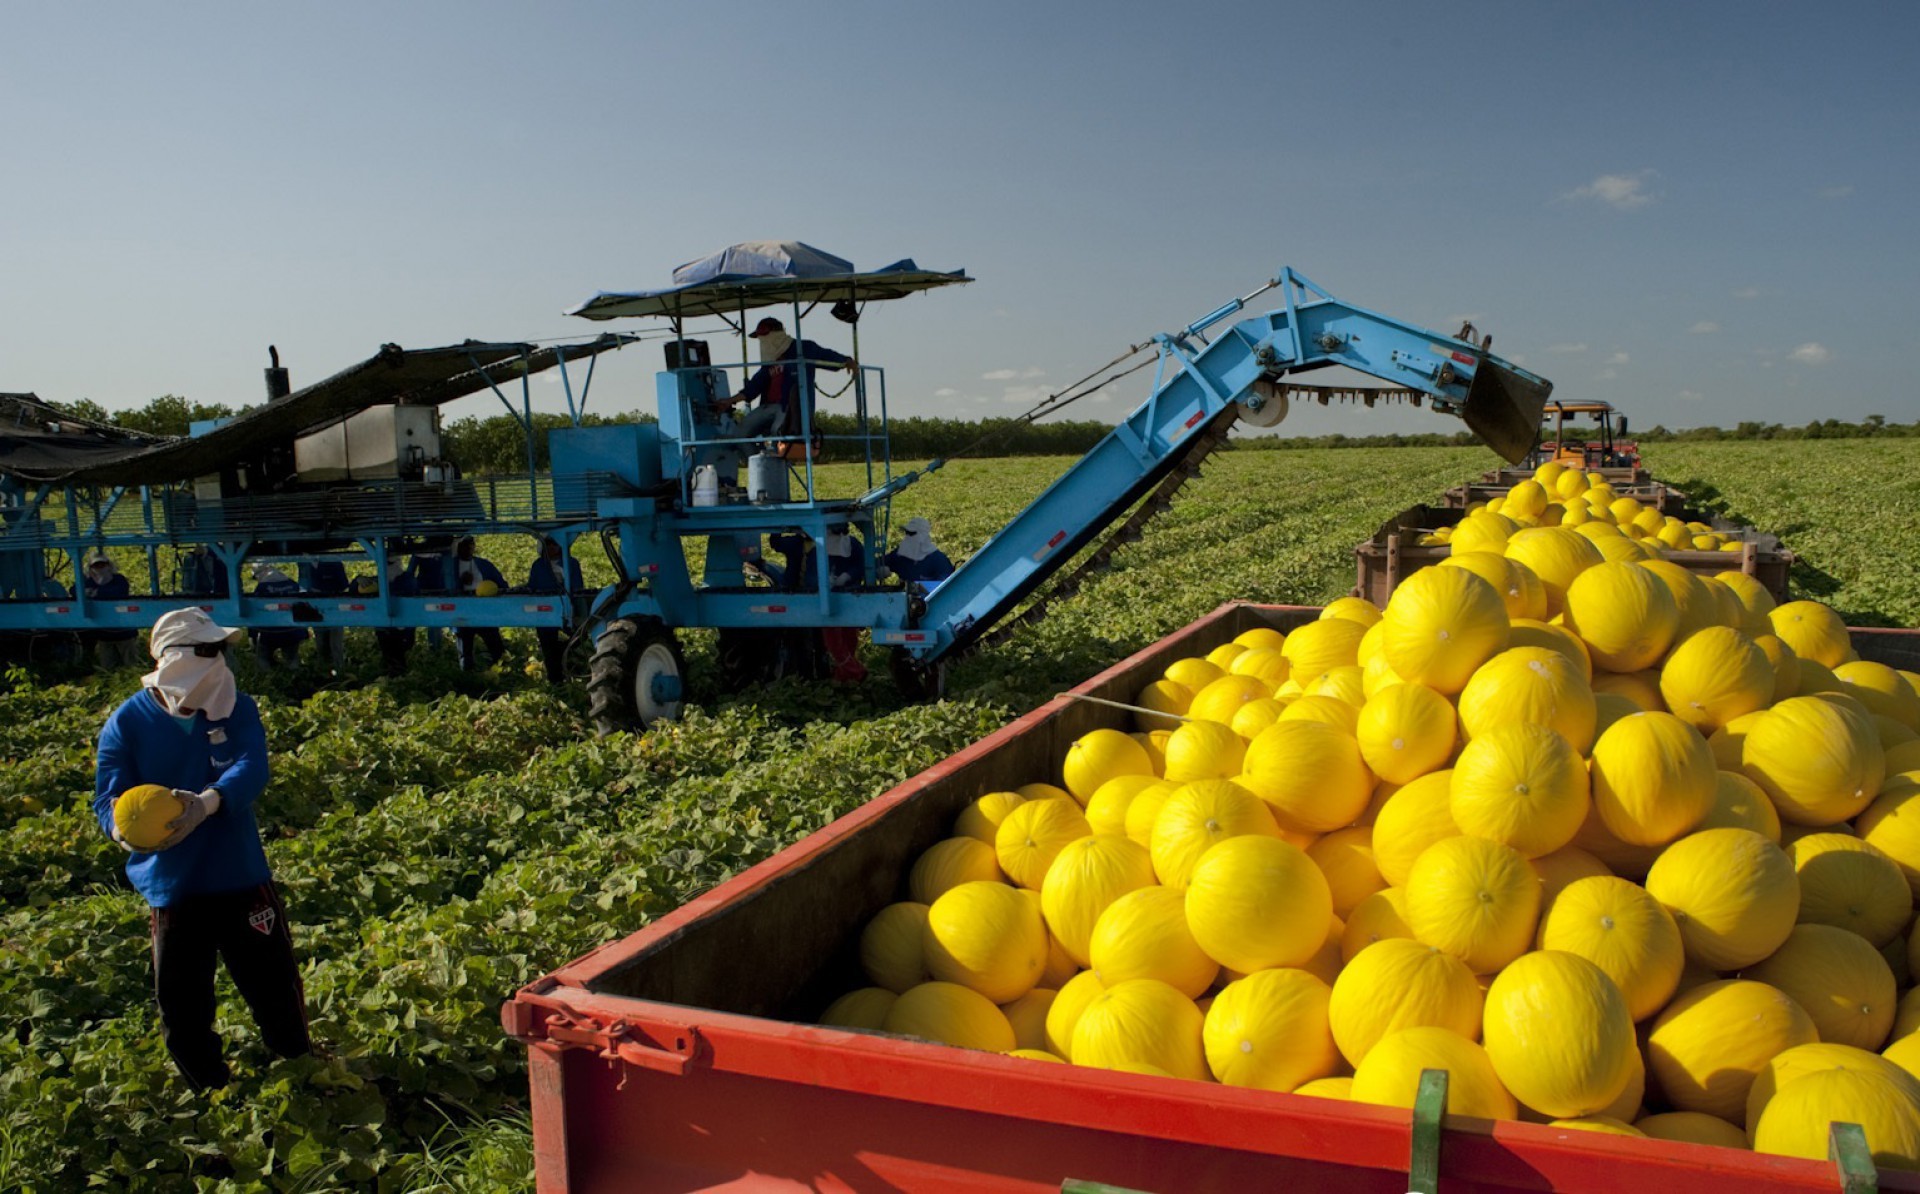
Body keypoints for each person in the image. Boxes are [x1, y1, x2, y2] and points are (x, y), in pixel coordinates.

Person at [93, 607, 312, 1090]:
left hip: (238, 873)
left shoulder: (237, 708)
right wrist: (120, 830)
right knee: (182, 998)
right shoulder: (127, 724)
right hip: (174, 883)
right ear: (174, 658)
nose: (220, 661)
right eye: (209, 650)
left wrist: (207, 802)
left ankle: (298, 1069)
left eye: (223, 650)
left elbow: (252, 767)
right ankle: (208, 1088)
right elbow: (107, 797)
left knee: (273, 983)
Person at [723, 317, 854, 457]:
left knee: (777, 432)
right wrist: (728, 401)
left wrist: (846, 361)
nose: (762, 341)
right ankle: (760, 465)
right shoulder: (769, 361)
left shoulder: (803, 349)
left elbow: (825, 355)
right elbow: (754, 387)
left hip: (789, 407)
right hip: (767, 406)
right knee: (740, 434)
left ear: (777, 334)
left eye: (764, 336)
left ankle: (776, 465)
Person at [526, 536, 584, 682]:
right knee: (548, 648)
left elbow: (578, 588)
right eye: (548, 545)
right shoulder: (539, 565)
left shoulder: (571, 563)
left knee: (575, 640)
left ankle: (568, 666)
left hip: (568, 610)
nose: (552, 548)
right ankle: (556, 680)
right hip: (545, 614)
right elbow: (532, 586)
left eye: (555, 544)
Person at [75, 551, 144, 670]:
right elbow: (74, 591)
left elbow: (118, 593)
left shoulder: (118, 579)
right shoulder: (88, 581)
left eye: (102, 565)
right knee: (108, 667)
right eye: (96, 566)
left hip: (124, 632)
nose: (100, 568)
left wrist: (95, 593)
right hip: (104, 634)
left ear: (108, 565)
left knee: (131, 665)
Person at [820, 525, 869, 683]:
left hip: (850, 594)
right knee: (833, 639)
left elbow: (861, 565)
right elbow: (813, 569)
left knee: (849, 636)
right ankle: (852, 670)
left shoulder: (852, 544)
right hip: (829, 596)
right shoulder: (820, 545)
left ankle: (847, 673)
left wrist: (847, 576)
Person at [450, 535, 507, 671]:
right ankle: (468, 677)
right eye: (464, 544)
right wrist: (460, 582)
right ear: (457, 547)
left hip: (484, 611)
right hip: (463, 611)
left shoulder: (484, 564)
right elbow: (445, 588)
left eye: (471, 544)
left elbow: (502, 585)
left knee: (495, 645)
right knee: (465, 649)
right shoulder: (451, 567)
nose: (469, 547)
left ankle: (501, 671)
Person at [248, 563, 308, 670]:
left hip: (270, 632)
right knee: (292, 658)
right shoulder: (292, 584)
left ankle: (266, 681)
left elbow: (255, 612)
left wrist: (252, 635)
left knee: (263, 658)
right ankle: (295, 679)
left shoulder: (262, 588)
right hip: (292, 630)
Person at [300, 558, 350, 673]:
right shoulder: (306, 564)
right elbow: (304, 587)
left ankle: (339, 671)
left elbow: (343, 585)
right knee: (322, 644)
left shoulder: (334, 564)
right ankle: (324, 672)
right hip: (316, 609)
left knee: (335, 645)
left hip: (334, 608)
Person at [883, 517, 956, 591]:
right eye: (907, 533)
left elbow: (946, 587)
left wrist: (916, 587)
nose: (908, 537)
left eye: (912, 534)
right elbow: (875, 563)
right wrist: (880, 570)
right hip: (905, 601)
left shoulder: (938, 560)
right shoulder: (900, 555)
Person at [372, 559, 418, 676]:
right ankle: (395, 675)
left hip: (398, 627)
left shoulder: (405, 580)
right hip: (392, 627)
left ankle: (395, 675)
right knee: (392, 654)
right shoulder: (405, 579)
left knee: (394, 654)